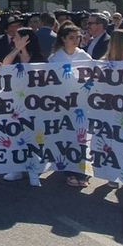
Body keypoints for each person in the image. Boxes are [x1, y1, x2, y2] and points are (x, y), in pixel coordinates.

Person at [47, 24, 93, 188]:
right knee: (66, 136)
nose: (75, 40)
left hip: (81, 104)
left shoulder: (85, 56)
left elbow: (93, 78)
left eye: (78, 37)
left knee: (81, 137)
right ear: (63, 39)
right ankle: (69, 171)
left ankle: (82, 171)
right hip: (62, 104)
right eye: (71, 37)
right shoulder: (55, 58)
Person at [1, 26, 42, 186]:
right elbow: (5, 64)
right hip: (16, 104)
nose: (13, 38)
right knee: (15, 136)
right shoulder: (14, 56)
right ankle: (16, 169)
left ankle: (33, 171)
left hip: (34, 105)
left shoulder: (39, 58)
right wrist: (17, 49)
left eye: (17, 36)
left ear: (26, 39)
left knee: (32, 138)